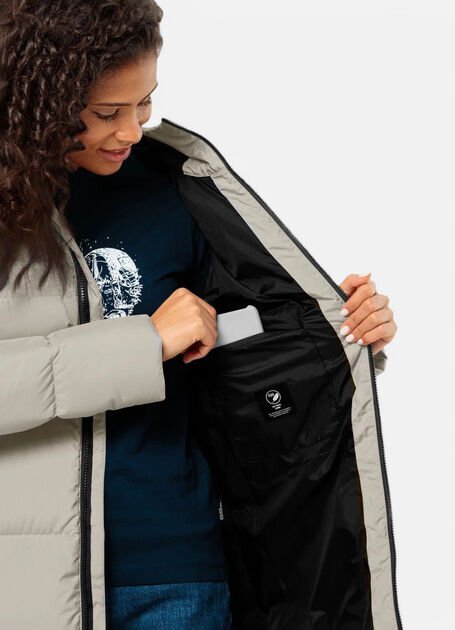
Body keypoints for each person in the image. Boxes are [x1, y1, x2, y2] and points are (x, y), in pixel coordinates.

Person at [0, 1, 399, 628]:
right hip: (28, 583)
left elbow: (235, 343)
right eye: (107, 113)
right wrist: (142, 345)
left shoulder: (173, 188)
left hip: (180, 573)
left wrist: (336, 332)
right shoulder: (8, 212)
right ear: (40, 99)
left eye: (145, 104)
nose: (132, 131)